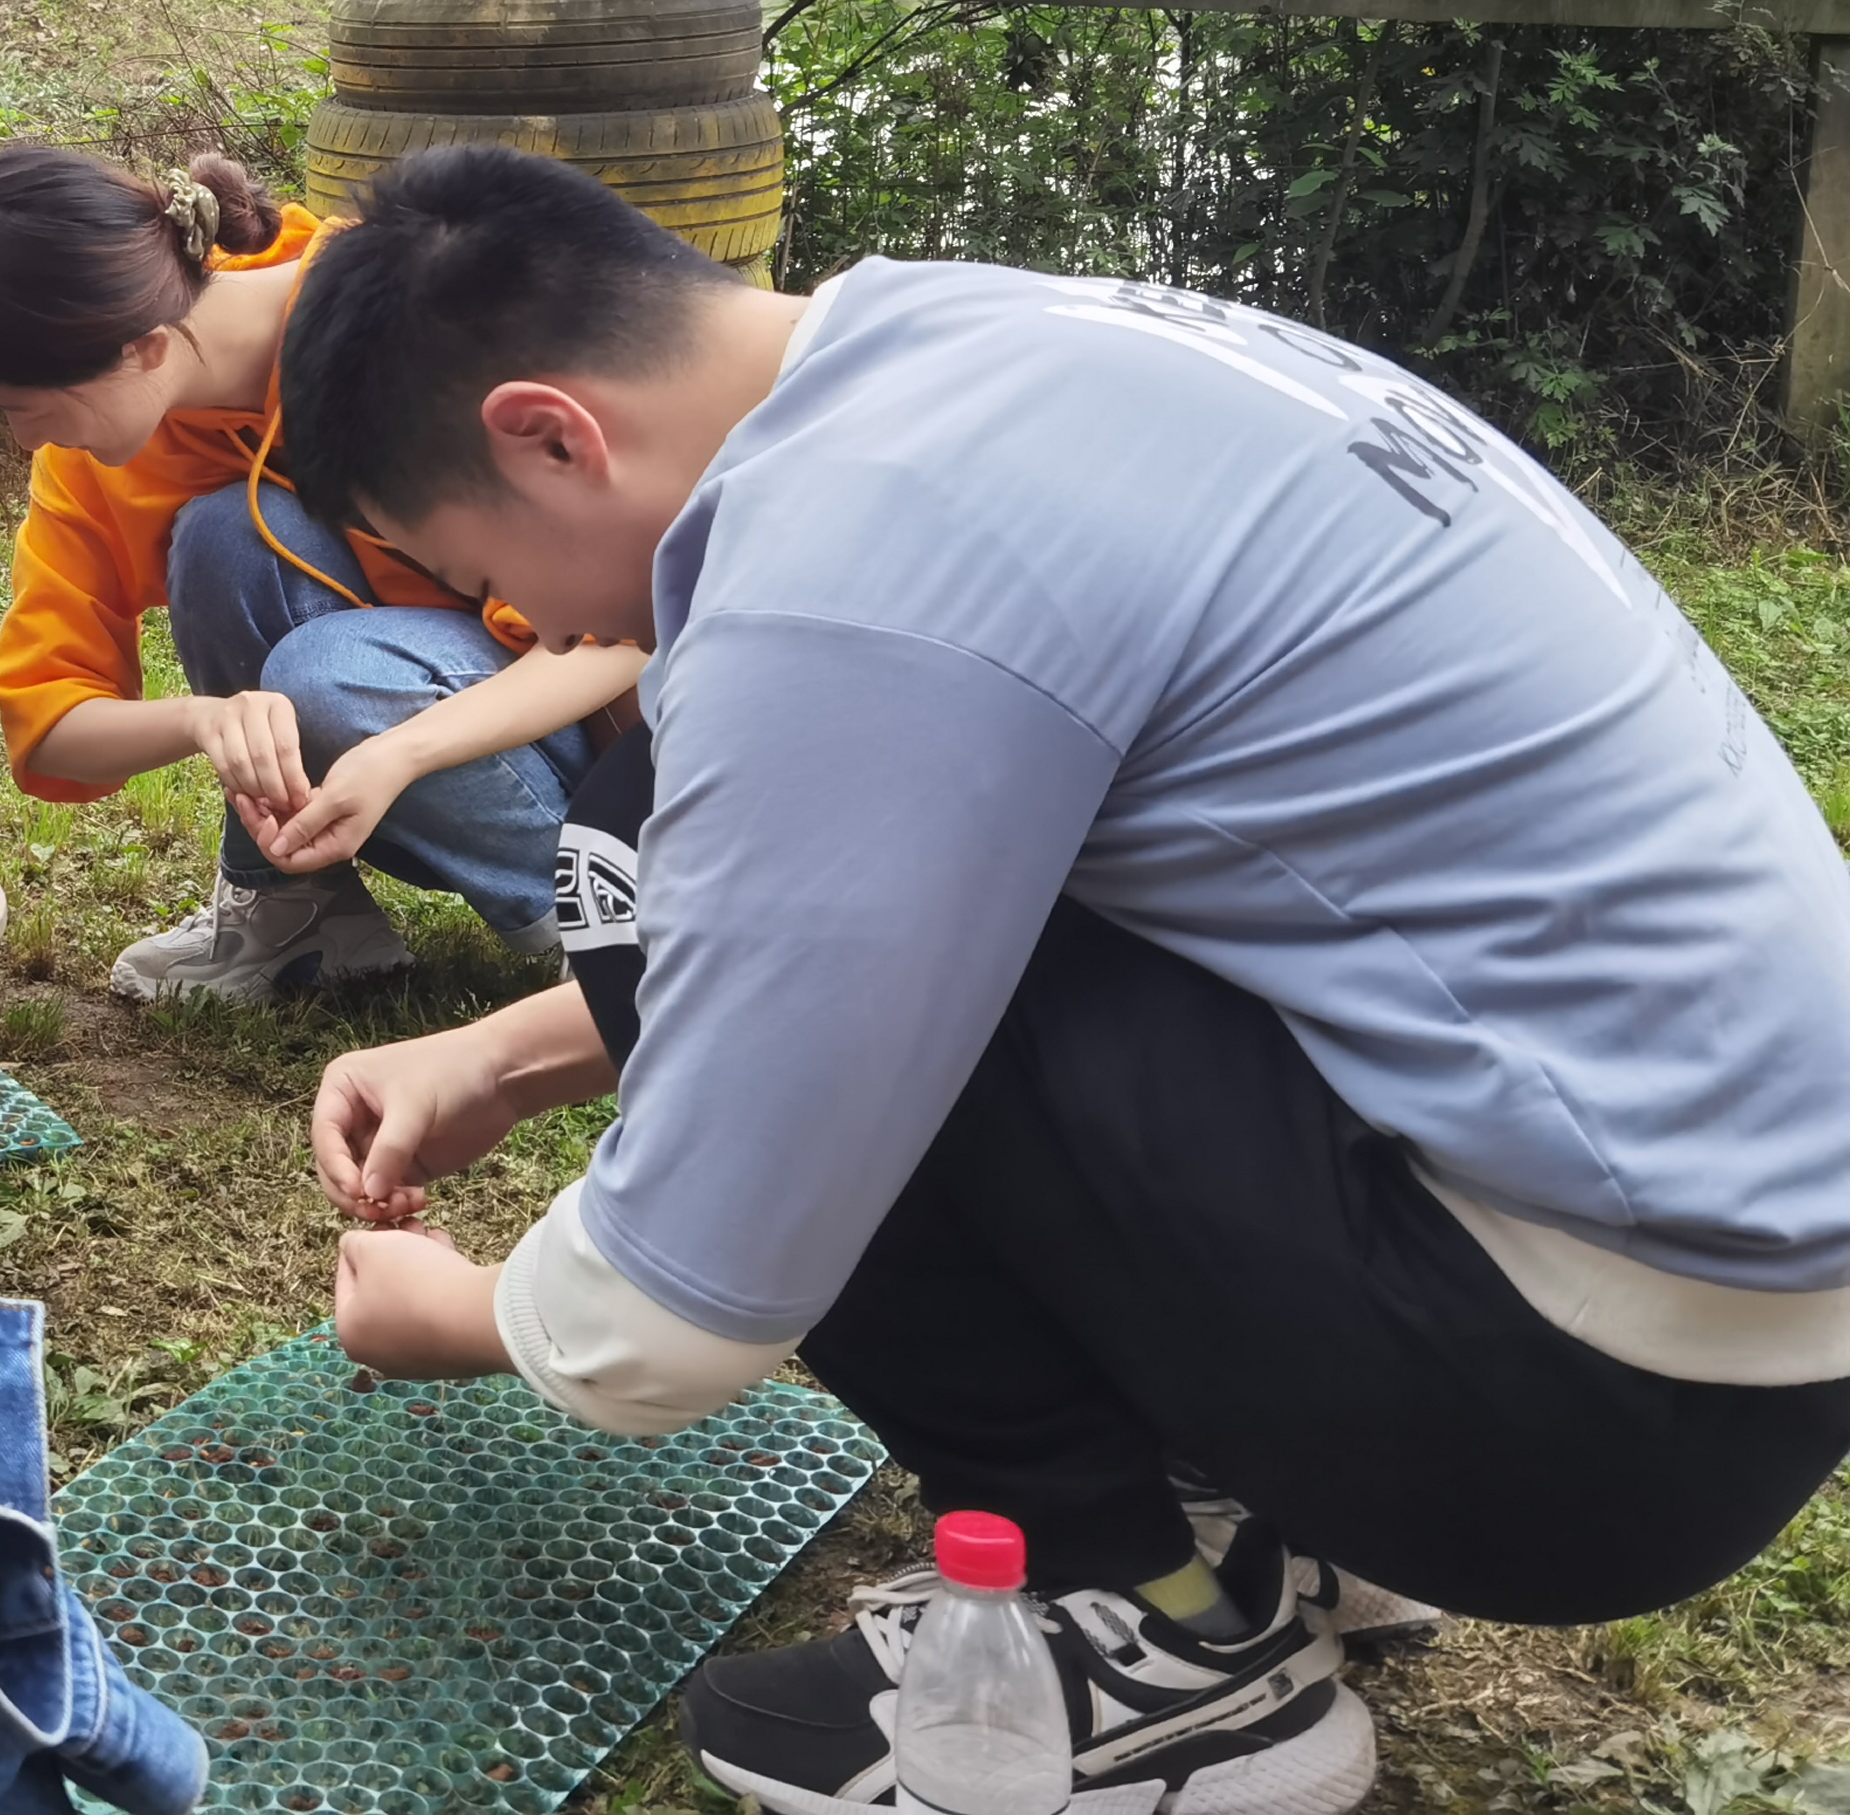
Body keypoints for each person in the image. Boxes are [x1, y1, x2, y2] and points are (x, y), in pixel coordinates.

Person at [281, 144, 1850, 1815]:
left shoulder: (848, 564)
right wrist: (507, 1055)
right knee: (738, 868)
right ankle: (1251, 1514)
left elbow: (675, 1316)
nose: (519, 619)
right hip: (1709, 1321)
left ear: (550, 434)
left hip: (1570, 1411)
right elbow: (917, 900)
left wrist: (476, 1316)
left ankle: (1161, 1635)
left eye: (480, 571)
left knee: (636, 839)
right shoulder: (989, 345)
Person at [0, 141, 637, 1002]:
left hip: (627, 747)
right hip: (409, 747)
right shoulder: (100, 451)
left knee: (325, 679)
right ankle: (303, 914)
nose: (26, 438)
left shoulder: (417, 323)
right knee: (222, 534)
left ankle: (615, 921)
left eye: (22, 408)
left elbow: (631, 634)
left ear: (142, 348)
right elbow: (48, 725)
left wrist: (398, 752)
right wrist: (203, 719)